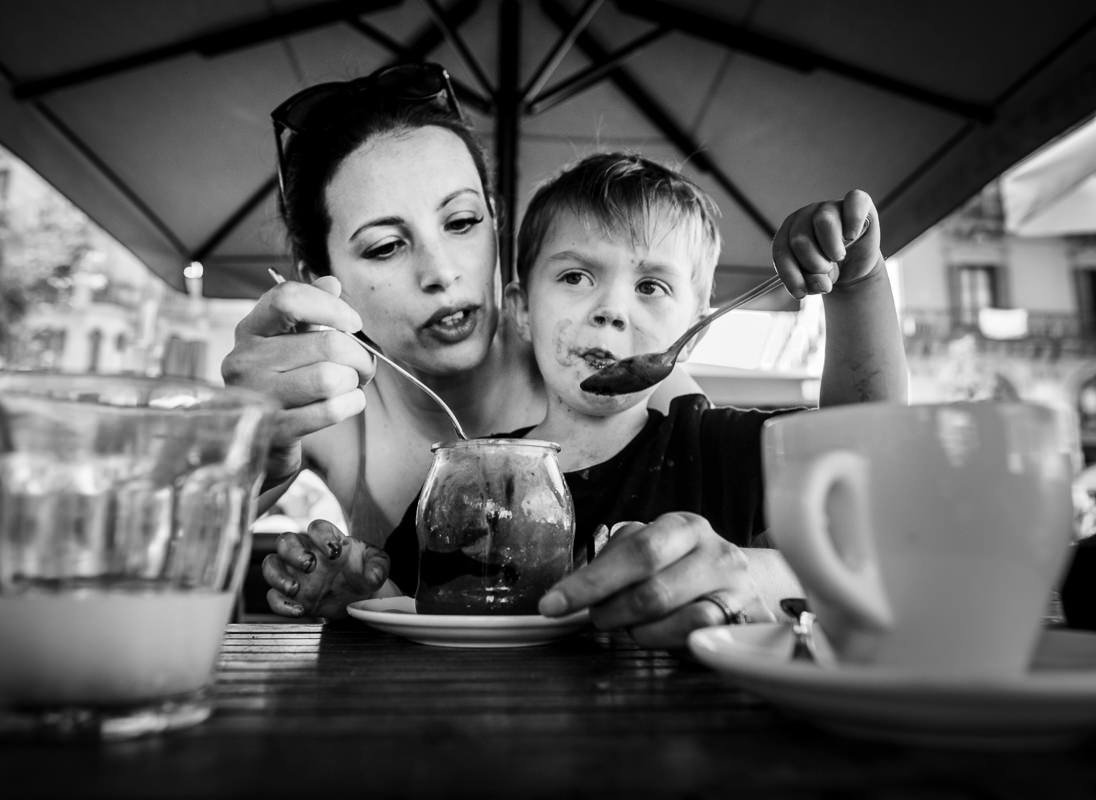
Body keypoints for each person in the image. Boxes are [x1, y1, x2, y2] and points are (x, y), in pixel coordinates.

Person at [223, 62, 907, 646]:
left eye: (462, 222)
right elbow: (396, 599)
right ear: (322, 277)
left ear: (495, 220)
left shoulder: (667, 409)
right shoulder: (327, 404)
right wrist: (249, 446)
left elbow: (865, 473)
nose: (441, 272)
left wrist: (856, 286)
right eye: (383, 246)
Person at [374, 152, 906, 620]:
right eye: (576, 277)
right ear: (522, 311)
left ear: (692, 330)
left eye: (651, 286)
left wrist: (857, 285)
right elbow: (397, 594)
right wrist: (361, 583)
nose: (610, 310)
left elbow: (865, 443)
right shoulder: (475, 475)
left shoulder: (714, 448)